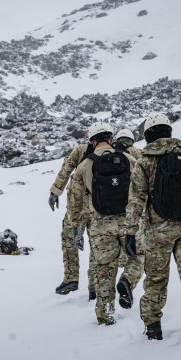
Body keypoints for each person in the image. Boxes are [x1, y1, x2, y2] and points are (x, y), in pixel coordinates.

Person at [125, 113, 181, 344]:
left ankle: (153, 329)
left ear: (148, 136)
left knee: (155, 280)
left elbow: (136, 200)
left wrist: (130, 232)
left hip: (157, 232)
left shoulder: (144, 162)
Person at [67, 122, 139, 325]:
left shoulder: (84, 166)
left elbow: (74, 199)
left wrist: (76, 227)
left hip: (99, 225)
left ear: (92, 141)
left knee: (104, 270)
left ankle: (105, 315)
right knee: (138, 257)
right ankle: (127, 281)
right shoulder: (128, 159)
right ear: (110, 139)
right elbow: (143, 188)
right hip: (128, 221)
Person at [49, 141, 97, 299]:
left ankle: (71, 279)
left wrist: (56, 191)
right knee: (98, 245)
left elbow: (67, 168)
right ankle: (95, 286)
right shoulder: (113, 151)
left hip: (78, 203)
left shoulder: (81, 149)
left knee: (69, 239)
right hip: (102, 207)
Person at [112, 128, 145, 309]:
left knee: (104, 258)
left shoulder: (106, 154)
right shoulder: (138, 154)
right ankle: (128, 279)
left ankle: (96, 291)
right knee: (138, 253)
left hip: (104, 217)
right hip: (131, 214)